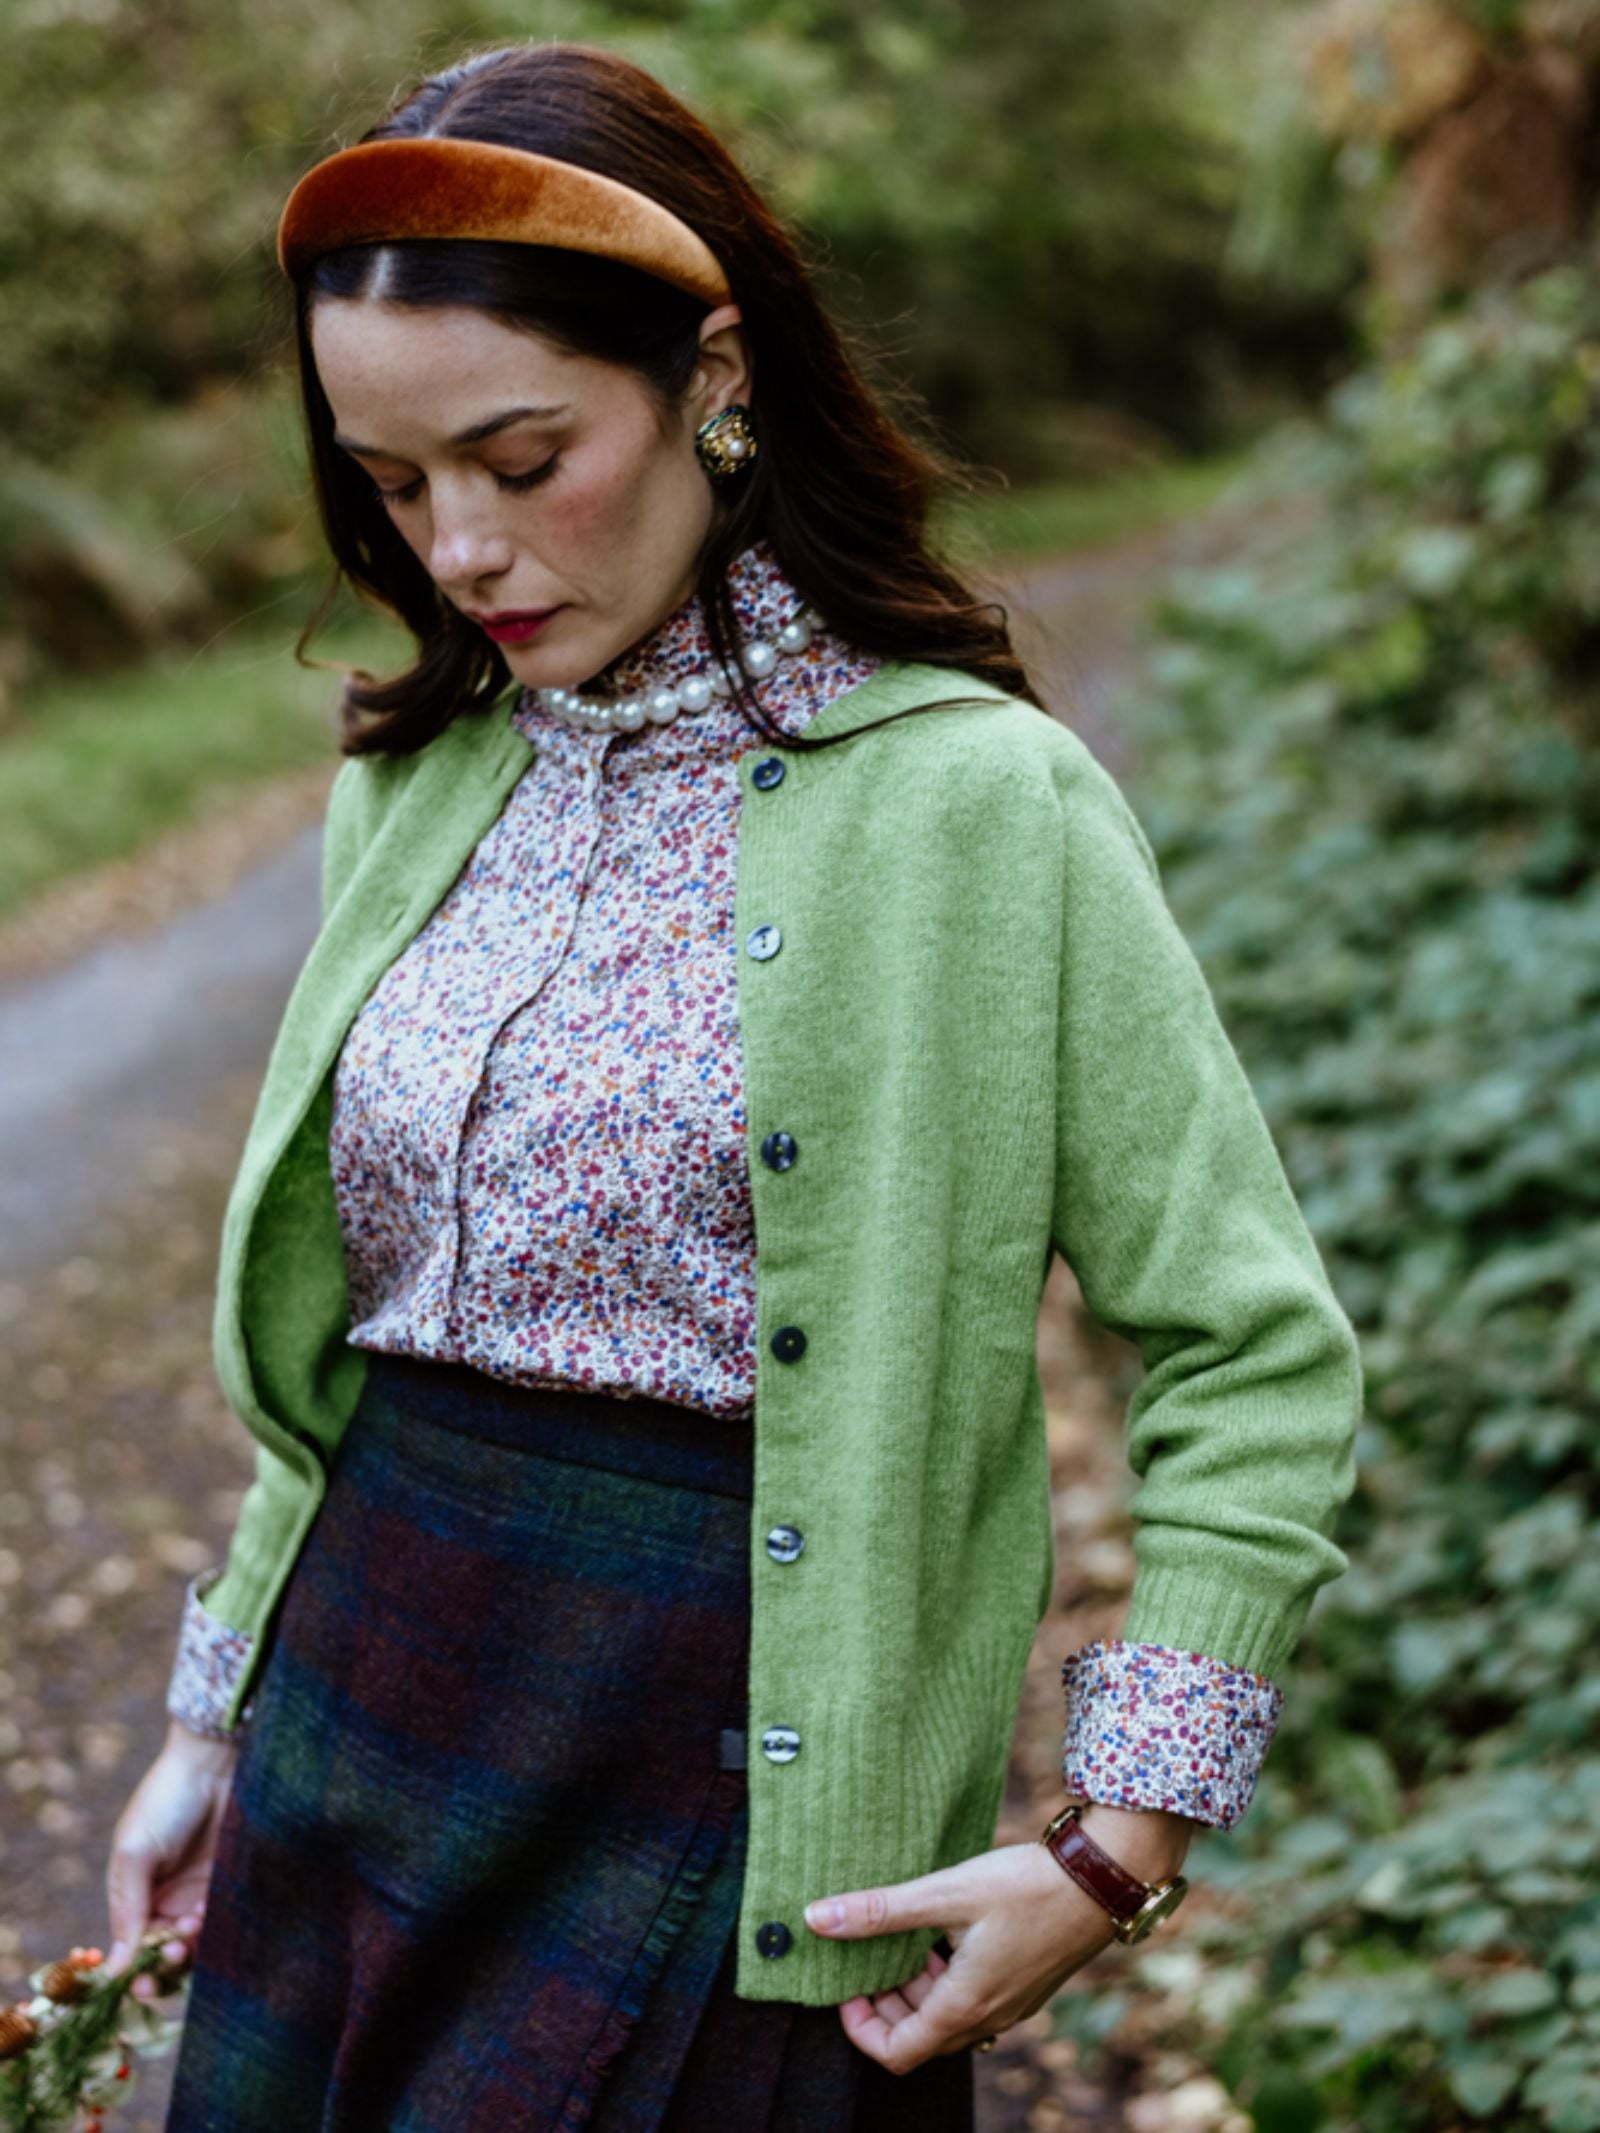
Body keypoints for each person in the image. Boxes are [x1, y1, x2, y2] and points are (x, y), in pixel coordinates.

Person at [102, 37, 1364, 2131]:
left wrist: (1118, 1834)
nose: (464, 549)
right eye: (397, 485)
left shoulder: (980, 808)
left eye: (521, 457)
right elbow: (351, 1344)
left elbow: (1250, 1346)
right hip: (361, 1706)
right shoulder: (410, 786)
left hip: (721, 1763)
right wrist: (217, 1711)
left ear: (711, 374)